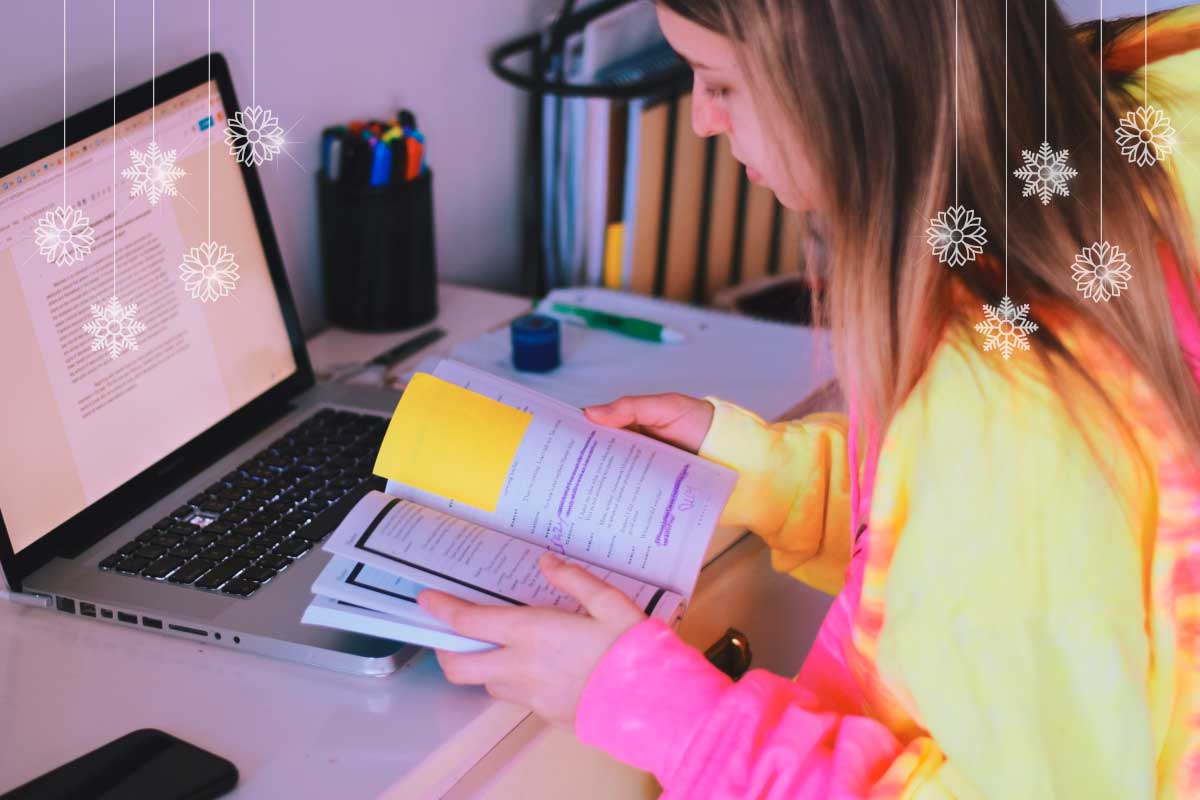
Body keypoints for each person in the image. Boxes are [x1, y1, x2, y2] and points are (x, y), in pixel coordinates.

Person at [418, 2, 1200, 796]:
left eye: (720, 82)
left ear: (852, 79)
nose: (700, 121)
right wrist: (760, 475)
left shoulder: (1003, 398)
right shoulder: (1124, 150)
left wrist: (654, 709)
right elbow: (1001, 534)